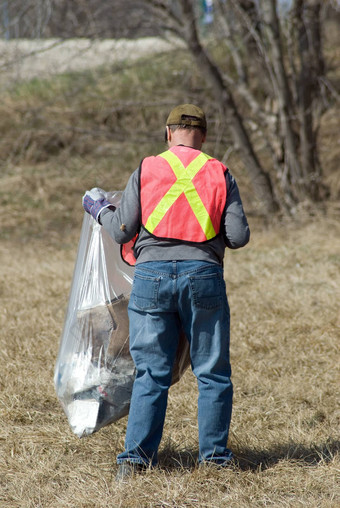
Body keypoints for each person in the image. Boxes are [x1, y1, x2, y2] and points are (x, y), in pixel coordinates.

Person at [82, 104, 250, 481]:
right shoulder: (220, 172)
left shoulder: (147, 168)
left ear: (167, 133)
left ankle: (135, 462)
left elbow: (123, 229)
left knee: (152, 374)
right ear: (203, 137)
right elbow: (239, 236)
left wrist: (96, 208)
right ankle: (215, 462)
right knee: (212, 373)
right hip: (203, 277)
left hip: (151, 278)